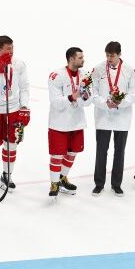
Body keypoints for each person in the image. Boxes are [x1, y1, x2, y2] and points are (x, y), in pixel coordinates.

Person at [90, 41, 135, 196]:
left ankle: (116, 184)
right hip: (103, 116)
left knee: (119, 151)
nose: (109, 58)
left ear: (119, 54)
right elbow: (93, 92)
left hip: (122, 117)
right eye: (107, 55)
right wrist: (105, 104)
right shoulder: (98, 69)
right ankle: (99, 184)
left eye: (112, 55)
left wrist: (121, 103)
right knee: (101, 151)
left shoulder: (129, 70)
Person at [0, 36, 30, 194]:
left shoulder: (19, 64)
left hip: (13, 110)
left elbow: (24, 86)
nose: (11, 51)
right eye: (8, 48)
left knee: (11, 145)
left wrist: (24, 107)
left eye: (12, 47)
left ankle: (6, 176)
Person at [47, 47, 91, 201]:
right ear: (71, 59)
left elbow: (87, 102)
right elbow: (55, 102)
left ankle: (62, 178)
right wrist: (72, 97)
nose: (83, 60)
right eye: (80, 57)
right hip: (59, 123)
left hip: (77, 122)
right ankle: (54, 183)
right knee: (57, 155)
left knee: (72, 152)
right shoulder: (56, 76)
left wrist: (85, 97)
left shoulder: (85, 75)